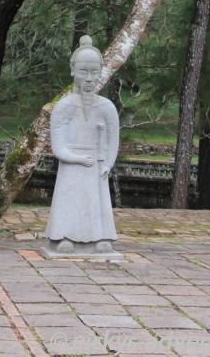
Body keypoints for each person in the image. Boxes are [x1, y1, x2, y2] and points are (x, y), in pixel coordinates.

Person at [45, 35, 119, 255]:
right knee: (70, 199)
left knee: (97, 201)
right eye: (83, 72)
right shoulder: (64, 107)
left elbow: (112, 140)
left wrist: (107, 163)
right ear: (73, 70)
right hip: (73, 163)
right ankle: (64, 236)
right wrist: (77, 159)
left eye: (94, 72)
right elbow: (58, 148)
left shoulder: (106, 107)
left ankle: (100, 237)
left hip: (96, 164)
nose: (89, 78)